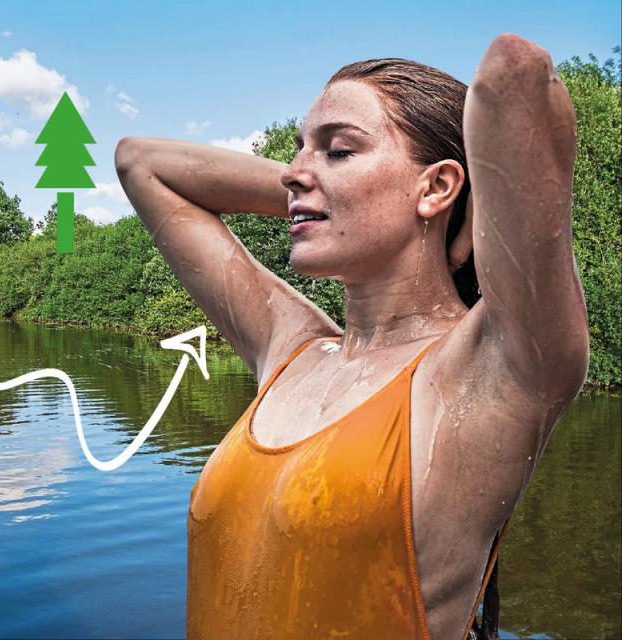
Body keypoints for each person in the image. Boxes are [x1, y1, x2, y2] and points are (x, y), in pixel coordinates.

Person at [115, 33, 588, 639]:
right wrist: (315, 193)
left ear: (438, 186)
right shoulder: (292, 351)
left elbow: (515, 75)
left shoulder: (492, 372)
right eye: (298, 151)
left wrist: (461, 204)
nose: (294, 171)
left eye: (338, 150)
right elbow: (140, 162)